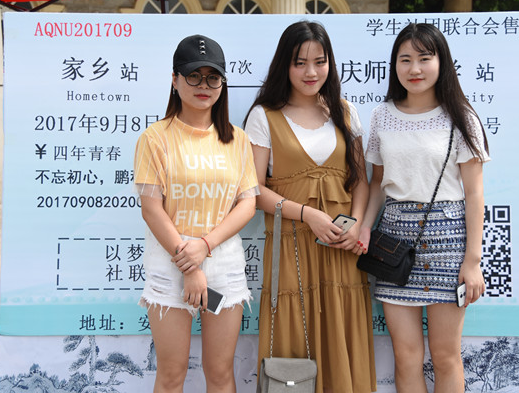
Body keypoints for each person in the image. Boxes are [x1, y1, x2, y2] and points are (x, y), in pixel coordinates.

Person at [244, 21, 376, 393]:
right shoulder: (264, 116)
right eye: (300, 63)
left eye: (320, 62)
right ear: (284, 65)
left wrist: (357, 223)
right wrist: (308, 214)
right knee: (293, 345)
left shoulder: (345, 112)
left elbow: (359, 180)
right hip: (291, 250)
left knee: (341, 337)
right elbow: (254, 191)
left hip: (341, 248)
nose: (311, 72)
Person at [359, 23, 490, 393]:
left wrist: (473, 261)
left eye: (424, 58)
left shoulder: (461, 116)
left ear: (441, 62)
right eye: (405, 59)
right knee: (406, 355)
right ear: (394, 65)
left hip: (449, 243)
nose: (414, 68)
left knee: (446, 355)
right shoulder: (382, 115)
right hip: (393, 243)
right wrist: (365, 226)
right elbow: (376, 182)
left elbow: (475, 193)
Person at [133, 34, 259, 393]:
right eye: (193, 76)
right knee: (171, 375)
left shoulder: (237, 139)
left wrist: (205, 246)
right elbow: (151, 207)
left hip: (222, 262)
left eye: (212, 77)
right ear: (174, 80)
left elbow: (247, 203)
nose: (203, 85)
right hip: (170, 261)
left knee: (220, 374)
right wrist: (189, 264)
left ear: (222, 84)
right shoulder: (155, 138)